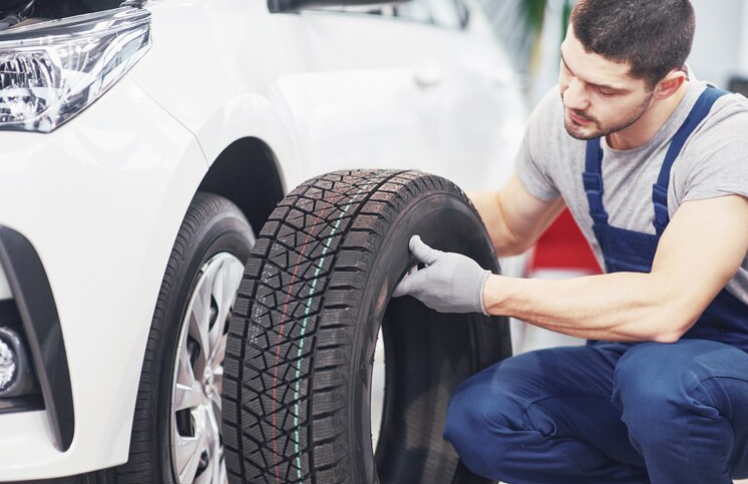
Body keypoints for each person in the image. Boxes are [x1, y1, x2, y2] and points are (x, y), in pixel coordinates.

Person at [392, 0, 748, 483]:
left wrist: (486, 292)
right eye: (569, 66)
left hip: (728, 366)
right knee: (482, 417)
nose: (573, 97)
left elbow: (666, 307)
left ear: (668, 84)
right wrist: (391, 225)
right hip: (630, 360)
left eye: (603, 88)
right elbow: (509, 221)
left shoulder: (726, 139)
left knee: (659, 384)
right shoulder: (566, 120)